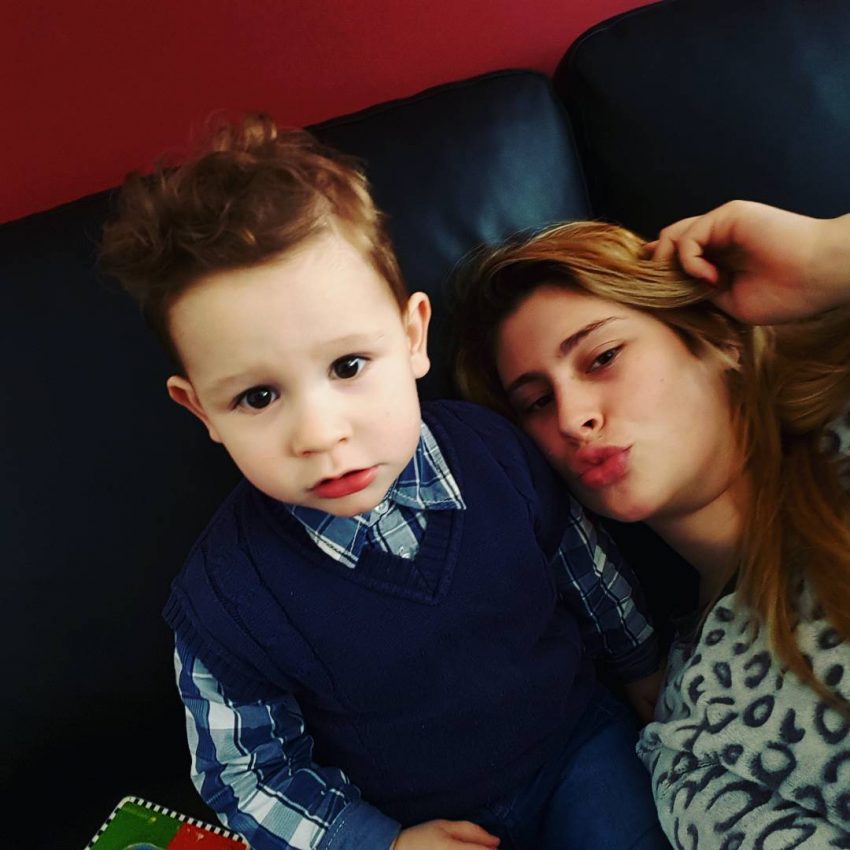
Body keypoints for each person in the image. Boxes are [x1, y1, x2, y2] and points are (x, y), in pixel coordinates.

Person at [98, 115, 670, 850]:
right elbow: (249, 779)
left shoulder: (495, 452)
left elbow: (587, 574)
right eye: (258, 397)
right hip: (407, 824)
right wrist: (378, 843)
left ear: (411, 337)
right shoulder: (227, 603)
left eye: (348, 366)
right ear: (202, 409)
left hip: (577, 751)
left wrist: (644, 671)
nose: (320, 433)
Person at [451, 200, 850, 847]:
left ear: (717, 338)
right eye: (537, 402)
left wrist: (827, 257)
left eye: (602, 356)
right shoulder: (690, 738)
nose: (572, 418)